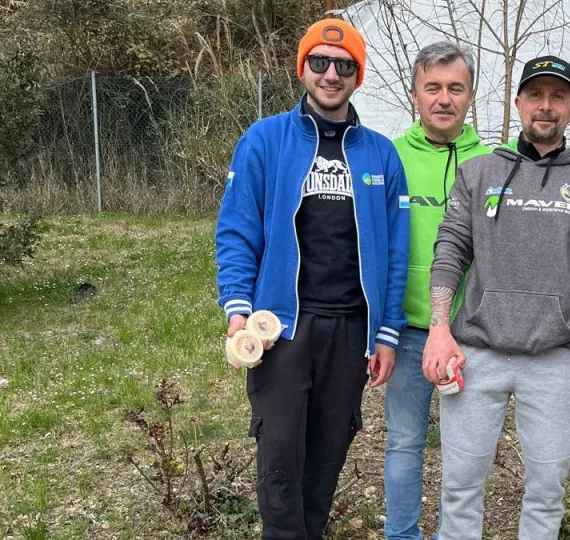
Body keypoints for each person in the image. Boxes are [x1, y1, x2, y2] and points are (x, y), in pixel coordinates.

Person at [214, 18, 410, 539]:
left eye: (344, 65)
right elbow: (236, 230)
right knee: (279, 455)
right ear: (302, 68)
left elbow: (395, 253)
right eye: (319, 62)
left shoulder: (380, 155)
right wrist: (236, 308)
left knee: (327, 457)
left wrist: (386, 333)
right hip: (280, 328)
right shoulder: (264, 140)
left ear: (358, 76)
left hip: (349, 330)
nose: (330, 74)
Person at [423, 55, 570, 540]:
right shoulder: (477, 174)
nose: (545, 106)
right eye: (535, 94)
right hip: (476, 355)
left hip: (555, 362)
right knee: (460, 487)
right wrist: (438, 327)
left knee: (546, 490)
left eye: (558, 96)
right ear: (518, 103)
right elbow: (450, 251)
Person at [384, 42, 491, 540]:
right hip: (406, 332)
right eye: (433, 88)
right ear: (415, 95)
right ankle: (401, 535)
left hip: (470, 336)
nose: (444, 99)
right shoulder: (391, 157)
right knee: (405, 443)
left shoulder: (495, 162)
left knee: (463, 452)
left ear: (471, 96)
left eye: (455, 88)